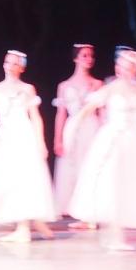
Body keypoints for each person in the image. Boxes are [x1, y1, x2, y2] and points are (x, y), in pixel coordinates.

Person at [66, 48, 136, 251]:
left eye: (130, 67)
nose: (125, 70)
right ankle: (113, 234)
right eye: (122, 66)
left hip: (134, 140)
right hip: (112, 138)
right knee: (111, 183)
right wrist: (72, 129)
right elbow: (86, 111)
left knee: (129, 184)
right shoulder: (110, 89)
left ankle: (117, 234)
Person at [0, 50, 56, 243]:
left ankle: (24, 228)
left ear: (22, 68)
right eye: (7, 62)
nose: (10, 67)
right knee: (8, 179)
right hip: (4, 136)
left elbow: (35, 117)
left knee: (24, 178)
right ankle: (33, 222)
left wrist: (41, 142)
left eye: (14, 64)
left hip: (23, 135)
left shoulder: (28, 89)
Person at [52, 43, 103, 228]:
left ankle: (89, 213)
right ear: (76, 58)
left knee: (89, 167)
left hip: (91, 128)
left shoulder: (97, 84)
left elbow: (101, 113)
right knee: (70, 167)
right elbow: (61, 114)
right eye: (84, 55)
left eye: (91, 56)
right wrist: (57, 139)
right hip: (72, 128)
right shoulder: (64, 85)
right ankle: (73, 208)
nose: (89, 59)